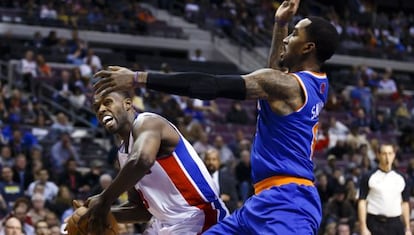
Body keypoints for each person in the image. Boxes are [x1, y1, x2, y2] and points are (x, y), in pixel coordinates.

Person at [93, 0, 339, 233]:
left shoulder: (287, 86)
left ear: (308, 47)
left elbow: (208, 85)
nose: (286, 39)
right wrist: (280, 24)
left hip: (289, 203)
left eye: (294, 34)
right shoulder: (312, 85)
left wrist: (137, 78)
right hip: (263, 201)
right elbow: (273, 75)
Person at [83, 90, 228, 234]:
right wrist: (98, 214)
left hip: (201, 216)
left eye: (107, 102)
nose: (101, 110)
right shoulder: (123, 154)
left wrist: (104, 199)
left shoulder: (148, 122)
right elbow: (140, 210)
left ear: (127, 104)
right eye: (97, 108)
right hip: (165, 225)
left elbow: (143, 160)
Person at [357, 143, 411, 235]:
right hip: (375, 222)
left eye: (390, 153)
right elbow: (362, 202)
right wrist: (363, 226)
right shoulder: (368, 176)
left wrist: (408, 228)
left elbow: (405, 203)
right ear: (378, 155)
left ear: (394, 155)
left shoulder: (401, 178)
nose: (387, 157)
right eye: (384, 154)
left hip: (395, 223)